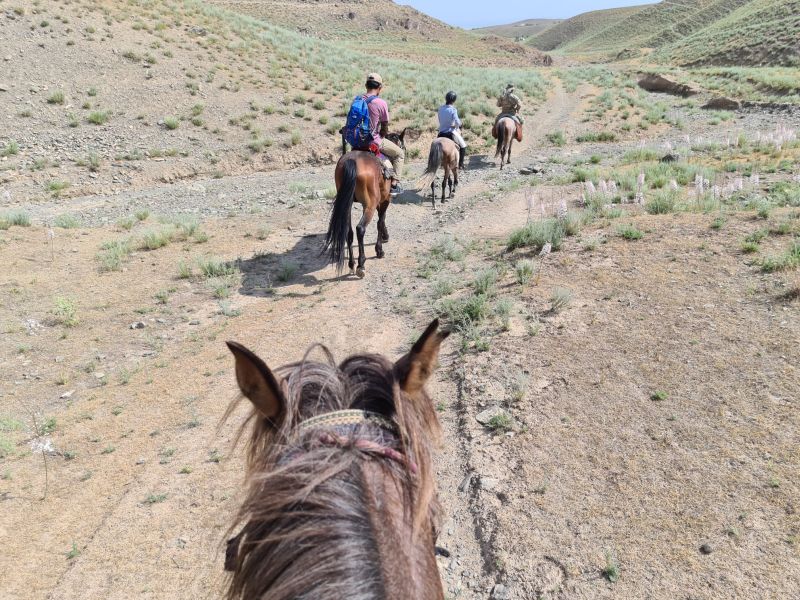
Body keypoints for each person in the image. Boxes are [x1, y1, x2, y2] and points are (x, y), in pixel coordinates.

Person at [361, 72, 405, 196]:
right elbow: (384, 127)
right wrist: (381, 134)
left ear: (366, 85)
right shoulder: (381, 103)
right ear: (380, 88)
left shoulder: (357, 99)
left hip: (356, 141)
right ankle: (394, 185)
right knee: (399, 154)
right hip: (373, 141)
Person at [437, 91, 467, 169]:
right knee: (463, 145)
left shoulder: (440, 109)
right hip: (450, 132)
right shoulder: (453, 110)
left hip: (441, 132)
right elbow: (457, 122)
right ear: (454, 100)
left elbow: (440, 120)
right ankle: (461, 164)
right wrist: (457, 125)